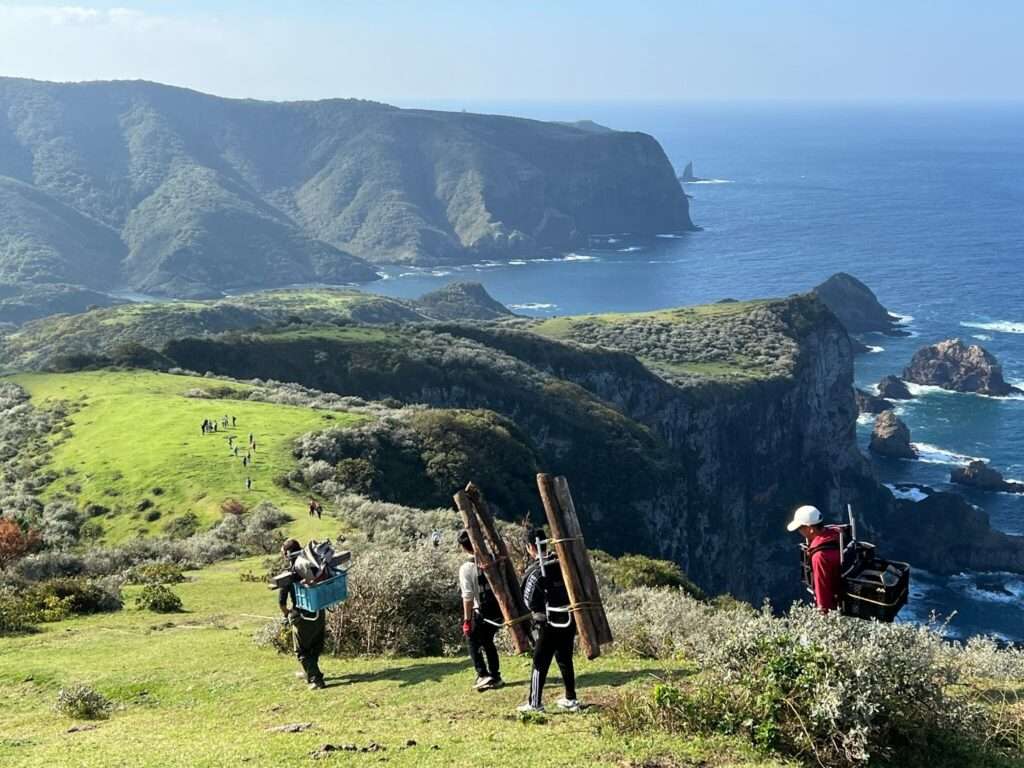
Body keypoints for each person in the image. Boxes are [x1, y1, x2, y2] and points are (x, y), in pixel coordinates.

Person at [517, 527, 580, 713]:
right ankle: (571, 698)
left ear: (530, 547)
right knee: (565, 658)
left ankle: (535, 703)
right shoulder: (563, 563)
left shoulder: (535, 571)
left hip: (547, 623)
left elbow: (527, 600)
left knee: (539, 662)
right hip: (568, 618)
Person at [457, 530, 504, 691]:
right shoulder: (492, 559)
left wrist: (467, 620)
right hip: (498, 610)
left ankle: (483, 674)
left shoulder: (466, 568)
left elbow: (468, 597)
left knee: (471, 639)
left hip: (482, 612)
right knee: (487, 641)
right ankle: (495, 676)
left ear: (463, 547)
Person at [278, 539, 326, 689]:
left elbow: (282, 602)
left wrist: (287, 614)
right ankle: (309, 673)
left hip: (302, 616)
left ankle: (316, 679)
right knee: (314, 647)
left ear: (287, 554)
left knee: (302, 650)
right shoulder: (313, 566)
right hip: (319, 611)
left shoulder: (288, 575)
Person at [787, 504, 843, 613]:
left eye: (800, 528)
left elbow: (822, 592)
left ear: (810, 529)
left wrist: (822, 615)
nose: (799, 531)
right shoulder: (837, 533)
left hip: (837, 607)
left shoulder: (819, 556)